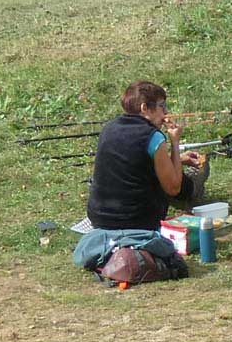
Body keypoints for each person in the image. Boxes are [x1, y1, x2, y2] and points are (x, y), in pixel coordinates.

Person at [86, 81, 209, 232]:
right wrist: (175, 143)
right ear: (145, 108)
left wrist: (180, 159)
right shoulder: (153, 136)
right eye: (162, 106)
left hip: (99, 218)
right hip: (138, 221)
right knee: (179, 185)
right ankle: (195, 185)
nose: (166, 112)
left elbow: (134, 160)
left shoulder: (109, 128)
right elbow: (174, 188)